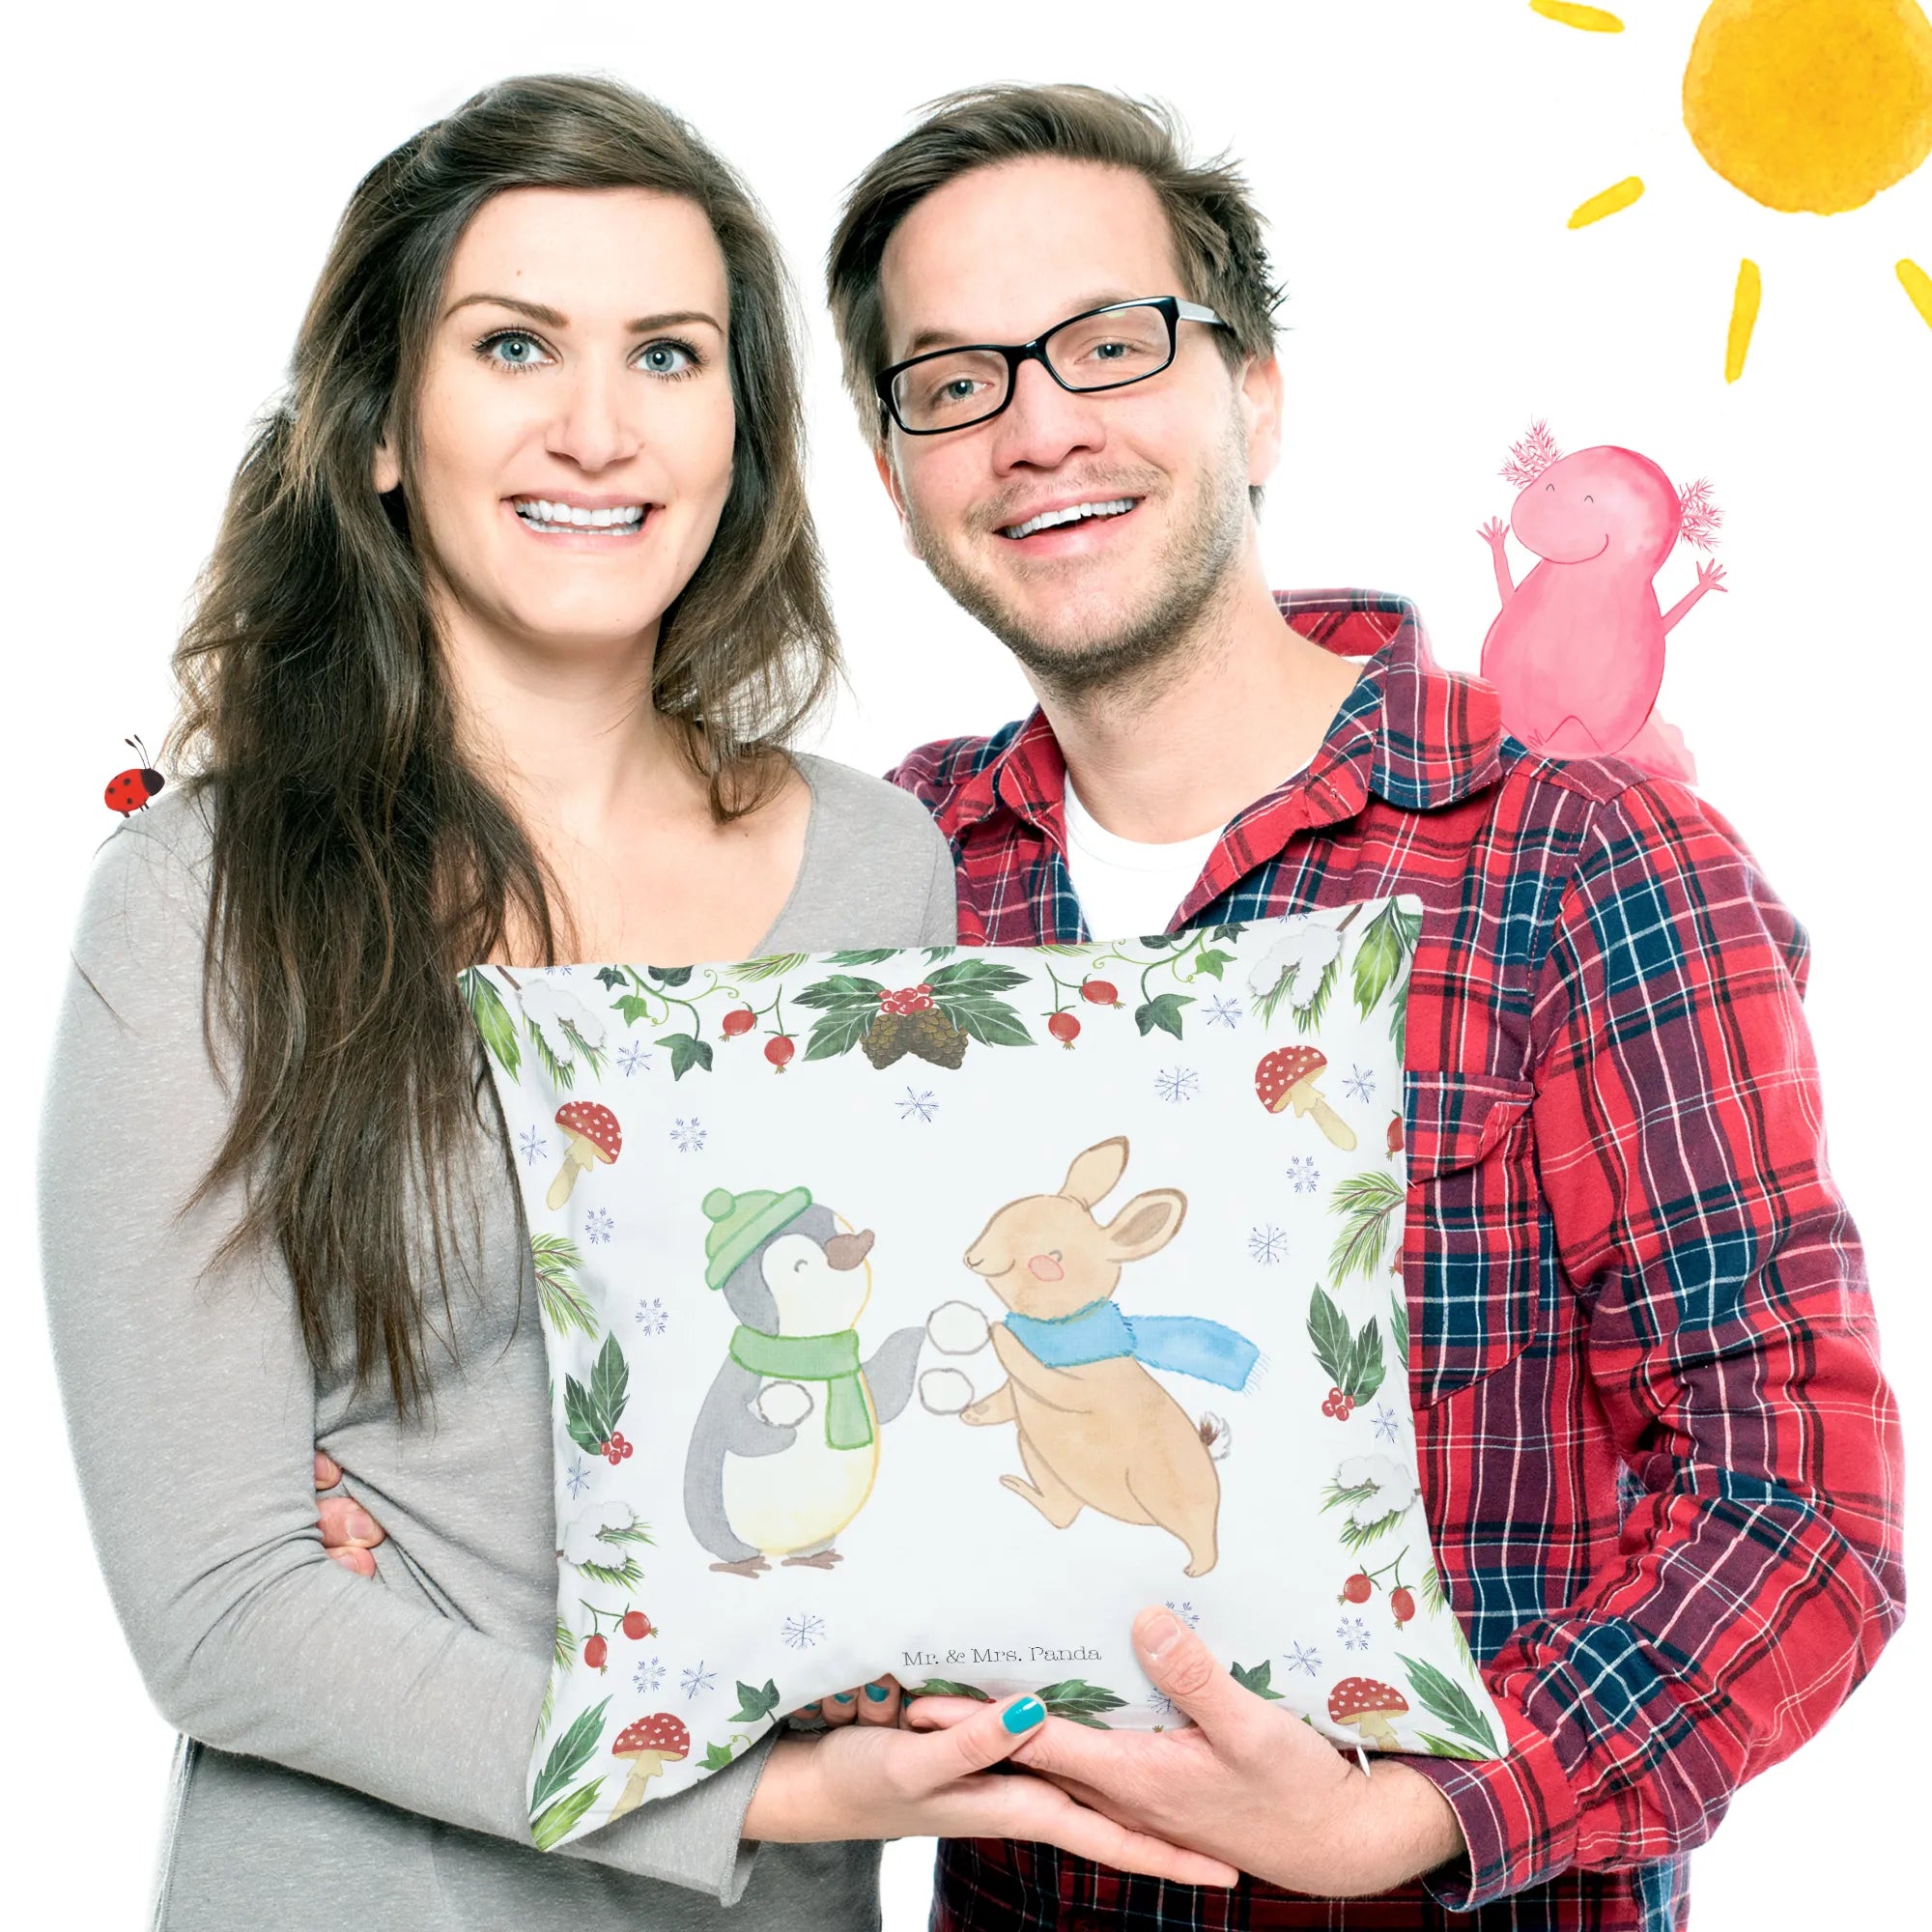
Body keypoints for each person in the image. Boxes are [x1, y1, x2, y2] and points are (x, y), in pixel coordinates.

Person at [39, 74, 1236, 1932]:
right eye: (514, 344)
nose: (597, 430)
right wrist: (768, 1787)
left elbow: (912, 1464)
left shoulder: (882, 869)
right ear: (381, 425)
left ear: (740, 432)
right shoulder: (202, 898)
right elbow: (220, 1612)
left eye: (668, 355)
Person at [821, 84, 1904, 1929]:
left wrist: (1410, 1816)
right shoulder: (892, 872)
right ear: (895, 469)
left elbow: (1800, 1516)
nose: (1039, 426)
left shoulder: (1584, 861)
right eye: (955, 379)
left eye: (1108, 342)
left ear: (1254, 393)